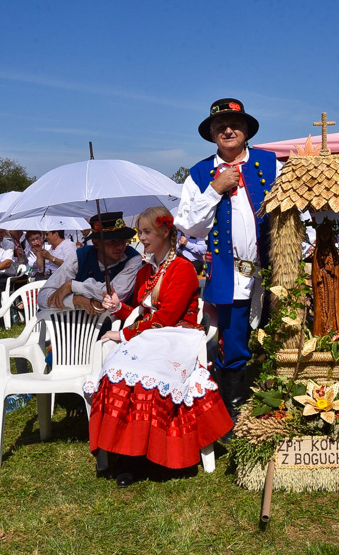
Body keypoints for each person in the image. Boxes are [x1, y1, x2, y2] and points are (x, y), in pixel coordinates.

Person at [85, 207, 233, 487]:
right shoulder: (148, 271)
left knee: (142, 371)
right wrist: (119, 308)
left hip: (177, 336)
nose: (141, 238)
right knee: (117, 370)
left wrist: (124, 334)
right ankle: (125, 454)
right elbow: (141, 311)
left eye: (146, 232)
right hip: (152, 337)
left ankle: (146, 455)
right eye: (140, 232)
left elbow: (166, 317)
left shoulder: (182, 269)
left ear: (165, 232)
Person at [175, 98, 277, 422]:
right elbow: (190, 225)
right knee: (232, 345)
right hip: (230, 273)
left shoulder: (272, 163)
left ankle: (279, 403)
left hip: (273, 270)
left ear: (246, 130)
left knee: (283, 335)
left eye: (234, 125)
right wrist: (215, 189)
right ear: (213, 134)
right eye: (221, 127)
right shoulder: (200, 174)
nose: (228, 130)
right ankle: (232, 410)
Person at [37, 212, 141, 311]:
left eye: (123, 240)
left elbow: (115, 295)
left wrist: (73, 286)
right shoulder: (80, 256)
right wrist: (75, 300)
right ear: (96, 243)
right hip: (72, 325)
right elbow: (43, 297)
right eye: (112, 241)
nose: (119, 246)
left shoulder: (133, 258)